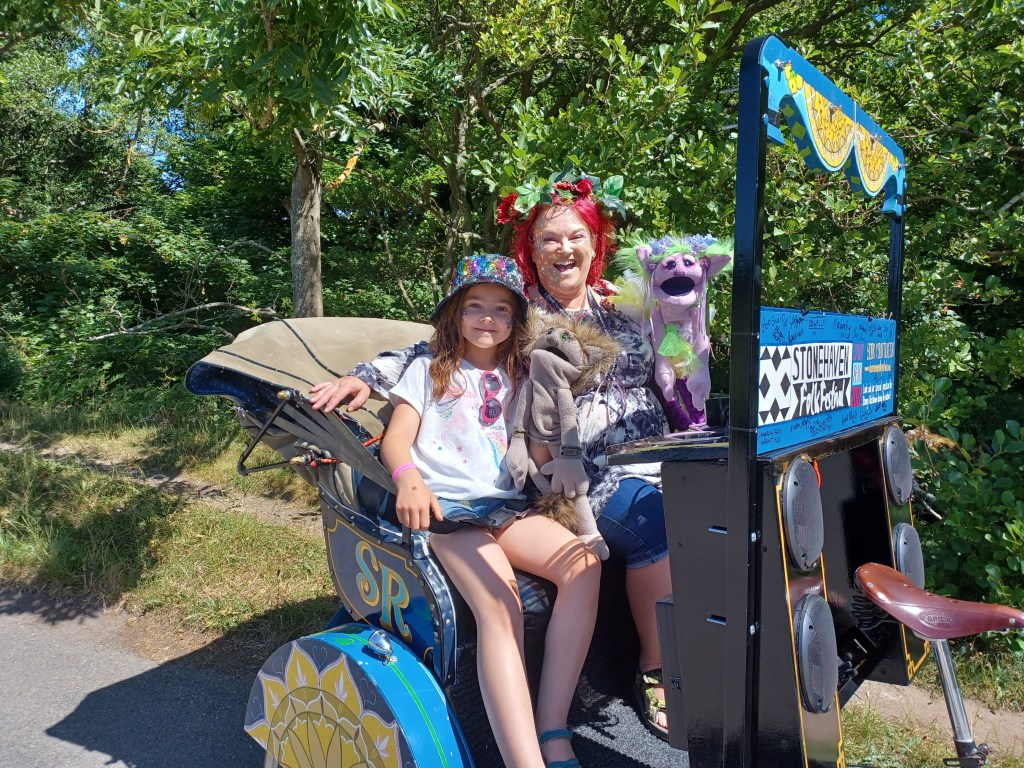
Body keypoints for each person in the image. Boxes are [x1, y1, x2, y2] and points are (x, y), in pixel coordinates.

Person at [310, 172, 674, 740]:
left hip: (654, 449)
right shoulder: (518, 317)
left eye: (575, 236)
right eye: (548, 239)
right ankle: (653, 668)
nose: (563, 249)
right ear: (530, 250)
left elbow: (680, 353)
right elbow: (434, 355)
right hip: (580, 471)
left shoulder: (624, 308)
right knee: (650, 524)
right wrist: (364, 378)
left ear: (595, 244)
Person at [378, 252, 601, 768]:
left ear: (515, 321)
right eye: (474, 306)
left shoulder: (522, 374)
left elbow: (537, 441)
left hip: (507, 505)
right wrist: (407, 477)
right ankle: (523, 760)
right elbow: (397, 439)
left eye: (501, 310)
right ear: (454, 313)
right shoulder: (428, 370)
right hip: (449, 510)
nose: (487, 318)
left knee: (584, 566)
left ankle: (552, 727)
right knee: (502, 607)